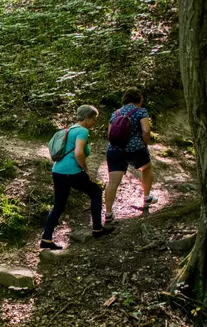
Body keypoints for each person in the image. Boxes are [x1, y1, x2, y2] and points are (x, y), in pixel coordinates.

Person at [41, 105, 115, 250]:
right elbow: (79, 153)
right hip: (72, 171)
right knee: (96, 192)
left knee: (59, 205)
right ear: (86, 117)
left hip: (58, 171)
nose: (95, 122)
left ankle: (46, 238)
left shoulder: (67, 130)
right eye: (94, 119)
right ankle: (97, 229)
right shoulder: (82, 131)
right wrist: (86, 171)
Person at [103, 89, 158, 219]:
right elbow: (145, 130)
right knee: (147, 168)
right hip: (135, 148)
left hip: (114, 150)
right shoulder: (141, 111)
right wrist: (145, 144)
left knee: (113, 182)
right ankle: (147, 197)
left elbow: (110, 134)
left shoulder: (115, 113)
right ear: (139, 100)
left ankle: (108, 213)